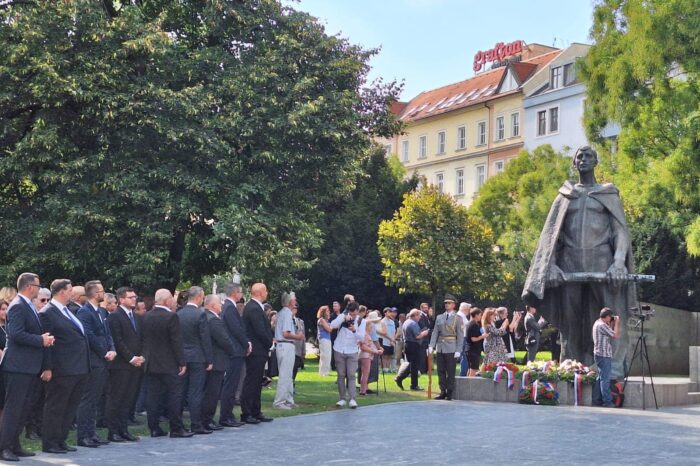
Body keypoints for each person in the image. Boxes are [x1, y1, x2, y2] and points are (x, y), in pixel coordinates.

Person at [523, 145, 635, 377]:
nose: (583, 160)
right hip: (569, 264)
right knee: (569, 319)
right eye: (579, 157)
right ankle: (571, 365)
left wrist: (618, 262)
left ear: (596, 162)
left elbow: (620, 231)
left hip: (602, 263)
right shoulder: (565, 195)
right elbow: (553, 235)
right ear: (574, 163)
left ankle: (613, 368)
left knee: (612, 316)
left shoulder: (607, 193)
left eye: (588, 156)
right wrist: (550, 264)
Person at [0, 273, 54, 462]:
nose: (40, 289)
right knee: (13, 408)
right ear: (30, 286)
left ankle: (14, 444)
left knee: (23, 408)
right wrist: (41, 340)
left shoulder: (28, 306)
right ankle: (4, 447)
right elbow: (15, 334)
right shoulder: (17, 306)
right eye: (38, 286)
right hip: (17, 366)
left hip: (29, 366)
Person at [38, 279, 91, 454]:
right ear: (62, 292)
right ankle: (50, 442)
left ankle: (61, 439)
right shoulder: (48, 312)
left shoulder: (67, 311)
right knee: (56, 406)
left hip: (78, 367)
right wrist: (47, 367)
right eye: (70, 290)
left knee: (70, 407)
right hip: (61, 368)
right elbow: (47, 342)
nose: (72, 293)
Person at [141, 289, 192, 438]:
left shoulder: (146, 316)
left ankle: (154, 427)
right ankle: (176, 427)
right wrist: (181, 361)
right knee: (174, 395)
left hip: (151, 363)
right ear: (166, 301)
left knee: (153, 397)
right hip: (168, 363)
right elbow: (176, 341)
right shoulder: (171, 317)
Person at [76, 280, 115, 448]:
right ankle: (83, 435)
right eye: (101, 291)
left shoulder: (101, 312)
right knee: (88, 399)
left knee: (95, 399)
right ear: (94, 293)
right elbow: (89, 335)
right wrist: (103, 352)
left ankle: (92, 433)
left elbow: (107, 334)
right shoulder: (84, 312)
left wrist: (112, 349)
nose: (103, 293)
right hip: (93, 360)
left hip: (103, 360)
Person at [106, 286, 145, 443]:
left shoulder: (136, 317)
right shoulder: (115, 316)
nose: (134, 299)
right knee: (117, 398)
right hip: (121, 365)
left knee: (128, 399)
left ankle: (123, 429)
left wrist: (141, 356)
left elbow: (141, 338)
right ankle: (113, 431)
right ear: (121, 299)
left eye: (135, 297)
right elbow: (118, 341)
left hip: (135, 364)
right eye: (131, 297)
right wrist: (131, 358)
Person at [176, 286, 213, 435]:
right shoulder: (200, 314)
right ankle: (196, 424)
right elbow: (205, 338)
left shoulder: (178, 314)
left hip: (182, 357)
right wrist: (209, 359)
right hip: (198, 357)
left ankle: (178, 423)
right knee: (195, 392)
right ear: (198, 297)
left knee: (180, 391)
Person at [240, 283, 274, 424]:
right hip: (256, 351)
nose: (267, 293)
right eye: (266, 290)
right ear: (260, 292)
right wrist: (270, 343)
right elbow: (260, 330)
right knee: (251, 382)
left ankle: (256, 411)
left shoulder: (256, 307)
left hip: (259, 351)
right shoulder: (253, 308)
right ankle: (247, 412)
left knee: (257, 382)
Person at [201, 294, 234, 430]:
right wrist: (232, 349)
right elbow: (224, 339)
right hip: (216, 360)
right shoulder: (213, 320)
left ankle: (205, 418)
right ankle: (207, 419)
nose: (221, 305)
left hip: (209, 359)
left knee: (208, 391)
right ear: (213, 305)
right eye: (219, 303)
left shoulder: (204, 316)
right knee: (212, 392)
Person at [219, 283, 249, 427]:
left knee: (231, 383)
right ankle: (226, 416)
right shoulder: (230, 308)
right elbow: (236, 329)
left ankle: (228, 414)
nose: (241, 295)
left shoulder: (227, 307)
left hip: (234, 350)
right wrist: (246, 343)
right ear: (235, 293)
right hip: (234, 351)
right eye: (240, 292)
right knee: (231, 384)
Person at [329, 301, 365, 408]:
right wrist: (343, 318)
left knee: (351, 375)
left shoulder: (361, 321)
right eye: (351, 314)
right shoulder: (342, 316)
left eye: (355, 314)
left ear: (358, 312)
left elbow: (362, 337)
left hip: (352, 350)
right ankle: (342, 399)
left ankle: (352, 399)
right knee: (341, 375)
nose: (353, 316)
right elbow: (332, 325)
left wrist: (354, 330)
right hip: (339, 348)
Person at [428, 294, 464, 401]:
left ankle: (450, 392)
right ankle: (442, 391)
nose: (446, 305)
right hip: (440, 347)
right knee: (441, 371)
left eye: (449, 303)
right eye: (445, 303)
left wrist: (458, 350)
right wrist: (431, 345)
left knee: (450, 371)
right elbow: (435, 333)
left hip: (451, 348)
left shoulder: (458, 318)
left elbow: (460, 336)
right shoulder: (440, 317)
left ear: (454, 305)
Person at [273, 292, 303, 410]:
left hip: (283, 346)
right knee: (285, 375)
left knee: (288, 374)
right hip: (286, 345)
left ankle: (289, 400)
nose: (296, 302)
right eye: (294, 300)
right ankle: (279, 401)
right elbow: (286, 333)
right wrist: (298, 337)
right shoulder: (286, 314)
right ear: (291, 301)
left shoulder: (282, 313)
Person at [394, 309, 430, 391]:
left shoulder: (407, 322)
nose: (420, 318)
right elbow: (417, 336)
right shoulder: (413, 323)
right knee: (414, 366)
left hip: (408, 344)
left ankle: (412, 384)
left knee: (412, 365)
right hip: (413, 345)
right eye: (419, 316)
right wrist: (424, 333)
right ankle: (402, 379)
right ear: (415, 315)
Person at [592, 308, 620, 407]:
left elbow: (608, 332)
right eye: (610, 317)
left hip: (599, 354)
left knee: (600, 378)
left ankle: (596, 400)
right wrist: (616, 322)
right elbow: (615, 335)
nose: (611, 319)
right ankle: (607, 401)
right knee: (605, 379)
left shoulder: (597, 323)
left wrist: (611, 323)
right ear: (607, 316)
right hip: (603, 355)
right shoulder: (602, 325)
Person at [359, 315, 383, 396]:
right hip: (365, 355)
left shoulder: (366, 335)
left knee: (366, 373)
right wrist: (375, 351)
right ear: (366, 327)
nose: (371, 328)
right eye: (370, 327)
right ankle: (363, 391)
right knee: (365, 373)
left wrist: (377, 351)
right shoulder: (365, 335)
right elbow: (363, 347)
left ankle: (364, 389)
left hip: (367, 355)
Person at [466, 308, 486, 376]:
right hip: (473, 350)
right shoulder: (473, 325)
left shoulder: (472, 323)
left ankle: (467, 384)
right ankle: (470, 385)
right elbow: (473, 339)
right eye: (480, 315)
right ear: (476, 315)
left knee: (470, 368)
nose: (481, 317)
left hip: (472, 350)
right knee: (473, 369)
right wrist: (483, 336)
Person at [377, 307, 397, 372]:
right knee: (384, 355)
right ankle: (384, 368)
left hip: (391, 341)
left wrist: (393, 339)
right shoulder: (382, 321)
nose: (391, 313)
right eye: (389, 312)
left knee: (389, 355)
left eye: (391, 312)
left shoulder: (392, 322)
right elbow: (383, 333)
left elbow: (394, 331)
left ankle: (388, 368)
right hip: (384, 340)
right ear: (385, 313)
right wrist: (390, 338)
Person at [316, 306, 332, 377]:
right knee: (325, 356)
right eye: (327, 311)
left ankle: (325, 371)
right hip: (323, 339)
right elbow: (329, 329)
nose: (329, 312)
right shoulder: (321, 320)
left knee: (328, 356)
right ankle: (323, 372)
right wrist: (331, 326)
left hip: (327, 339)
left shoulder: (326, 320)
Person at [291, 304, 306, 383]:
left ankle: (292, 385)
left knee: (295, 368)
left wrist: (304, 350)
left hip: (297, 349)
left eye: (294, 309)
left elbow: (303, 337)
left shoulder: (300, 322)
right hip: (288, 349)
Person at [457, 302, 471, 376]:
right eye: (468, 310)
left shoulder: (462, 316)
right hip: (462, 338)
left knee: (465, 357)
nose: (469, 312)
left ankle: (464, 373)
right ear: (465, 309)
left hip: (463, 337)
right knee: (465, 356)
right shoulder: (460, 316)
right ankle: (463, 374)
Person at [0, 300, 7, 422]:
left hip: (8, 368)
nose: (5, 312)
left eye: (7, 309)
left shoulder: (8, 327)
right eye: (2, 309)